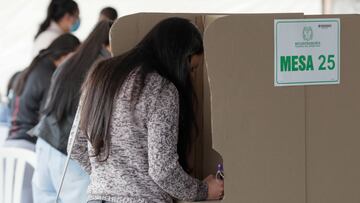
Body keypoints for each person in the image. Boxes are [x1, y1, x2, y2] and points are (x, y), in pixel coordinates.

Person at [69, 17, 224, 203]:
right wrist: (204, 190)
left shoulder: (100, 76)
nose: (191, 77)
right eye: (191, 69)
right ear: (179, 59)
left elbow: (75, 147)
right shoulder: (160, 88)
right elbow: (163, 171)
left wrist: (109, 182)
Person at [30, 20, 113, 203]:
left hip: (45, 143)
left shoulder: (72, 61)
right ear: (111, 43)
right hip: (68, 154)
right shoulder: (104, 66)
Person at [4, 33, 80, 203]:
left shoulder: (31, 69)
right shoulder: (50, 76)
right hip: (29, 146)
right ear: (66, 54)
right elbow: (49, 117)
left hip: (10, 143)